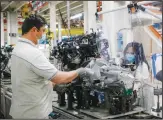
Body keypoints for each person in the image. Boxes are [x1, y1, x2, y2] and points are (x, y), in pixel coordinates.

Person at [9, 14, 95, 119]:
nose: (43, 34)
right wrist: (80, 71)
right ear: (34, 30)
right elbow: (59, 77)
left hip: (22, 110)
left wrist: (51, 84)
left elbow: (29, 78)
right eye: (43, 30)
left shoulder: (17, 49)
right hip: (33, 114)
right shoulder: (32, 53)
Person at [121, 42, 154, 112]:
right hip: (136, 93)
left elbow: (138, 81)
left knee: (144, 114)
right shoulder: (127, 64)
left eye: (132, 53)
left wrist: (130, 90)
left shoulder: (142, 65)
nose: (129, 55)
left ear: (137, 54)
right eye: (127, 52)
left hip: (144, 93)